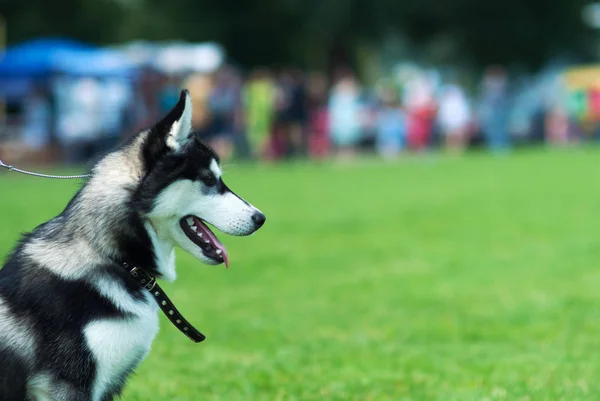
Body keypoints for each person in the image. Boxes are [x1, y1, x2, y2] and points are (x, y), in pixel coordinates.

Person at [328, 72, 363, 159]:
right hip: (340, 121)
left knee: (351, 140)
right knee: (341, 141)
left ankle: (351, 156)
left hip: (350, 120)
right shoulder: (336, 96)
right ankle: (341, 156)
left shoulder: (352, 95)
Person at [437, 83, 471, 153]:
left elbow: (463, 113)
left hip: (458, 122)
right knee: (450, 136)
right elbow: (443, 114)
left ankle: (459, 150)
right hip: (449, 123)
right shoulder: (446, 102)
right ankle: (450, 150)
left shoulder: (460, 101)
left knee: (459, 136)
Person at [375, 87, 406, 159]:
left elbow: (401, 131)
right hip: (384, 144)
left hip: (396, 143)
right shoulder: (380, 113)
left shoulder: (398, 113)